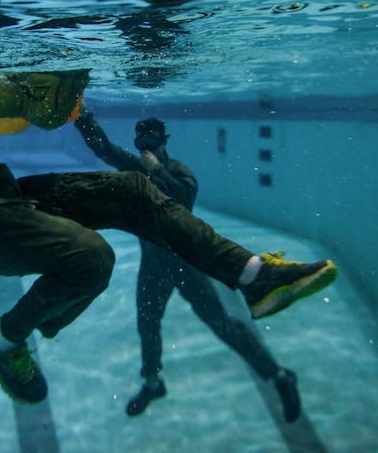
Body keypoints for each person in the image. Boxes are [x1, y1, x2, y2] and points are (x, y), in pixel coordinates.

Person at [0, 60, 338, 405]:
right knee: (93, 260)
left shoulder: (177, 174)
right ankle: (5, 337)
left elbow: (129, 169)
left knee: (132, 191)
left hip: (12, 205)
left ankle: (252, 276)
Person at [75, 110, 302, 421]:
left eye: (152, 141)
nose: (146, 147)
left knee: (221, 323)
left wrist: (158, 171)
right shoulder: (135, 167)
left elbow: (181, 201)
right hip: (154, 264)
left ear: (164, 142)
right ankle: (153, 383)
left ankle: (278, 375)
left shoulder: (181, 173)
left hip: (185, 264)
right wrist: (82, 116)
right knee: (148, 324)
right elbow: (104, 148)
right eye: (141, 141)